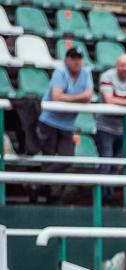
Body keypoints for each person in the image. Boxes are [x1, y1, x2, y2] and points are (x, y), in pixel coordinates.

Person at [34, 47, 93, 202]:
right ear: (67, 59)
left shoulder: (86, 73)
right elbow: (56, 97)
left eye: (79, 58)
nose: (76, 61)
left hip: (67, 124)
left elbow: (88, 96)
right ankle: (43, 195)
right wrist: (79, 97)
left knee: (67, 158)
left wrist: (68, 97)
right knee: (48, 159)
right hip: (49, 121)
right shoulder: (60, 71)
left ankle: (35, 183)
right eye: (73, 58)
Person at [95, 54, 126, 206]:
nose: (125, 69)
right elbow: (109, 100)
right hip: (105, 127)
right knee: (106, 162)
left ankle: (109, 196)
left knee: (116, 165)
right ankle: (101, 198)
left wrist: (118, 101)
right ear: (116, 65)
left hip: (123, 129)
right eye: (122, 65)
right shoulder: (107, 76)